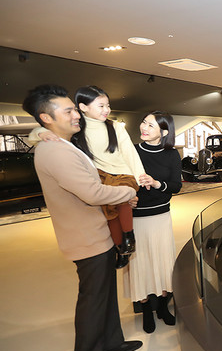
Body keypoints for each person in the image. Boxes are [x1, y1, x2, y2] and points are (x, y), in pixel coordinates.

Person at [22, 84, 142, 351]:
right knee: (93, 299)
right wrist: (127, 192)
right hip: (85, 238)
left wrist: (38, 133)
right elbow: (91, 193)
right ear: (46, 118)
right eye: (69, 111)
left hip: (95, 233)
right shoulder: (55, 151)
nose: (76, 115)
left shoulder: (62, 143)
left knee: (105, 295)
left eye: (75, 110)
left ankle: (111, 342)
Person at [31, 86, 147, 268]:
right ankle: (120, 246)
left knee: (122, 203)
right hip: (100, 176)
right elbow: (42, 131)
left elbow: (129, 153)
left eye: (108, 105)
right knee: (109, 213)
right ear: (83, 107)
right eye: (101, 106)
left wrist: (140, 178)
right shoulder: (78, 128)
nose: (106, 110)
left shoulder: (115, 126)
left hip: (121, 173)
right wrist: (40, 132)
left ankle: (128, 237)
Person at [123, 111, 182, 333]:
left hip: (161, 218)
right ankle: (146, 308)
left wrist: (157, 183)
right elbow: (120, 181)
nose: (144, 127)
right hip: (137, 219)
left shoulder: (171, 154)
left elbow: (176, 186)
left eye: (151, 125)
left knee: (163, 262)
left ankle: (163, 307)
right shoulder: (132, 152)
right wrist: (127, 197)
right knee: (141, 265)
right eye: (144, 122)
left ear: (164, 132)